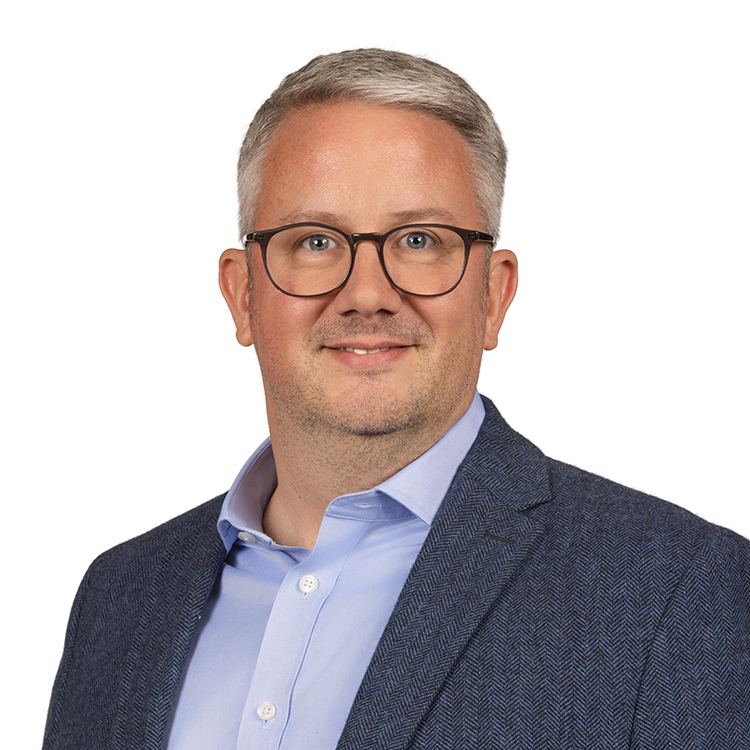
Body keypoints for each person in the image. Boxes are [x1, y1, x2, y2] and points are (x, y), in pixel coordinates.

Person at [43, 48, 749, 750]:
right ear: (243, 293)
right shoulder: (120, 597)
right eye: (315, 240)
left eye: (419, 239)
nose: (367, 294)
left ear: (494, 295)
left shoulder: (677, 592)